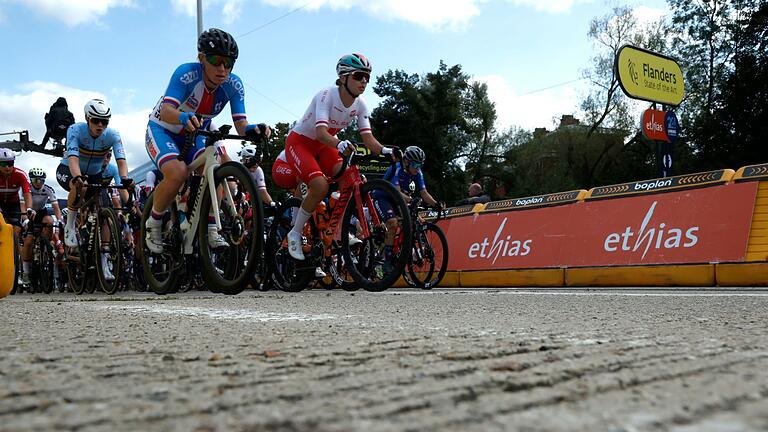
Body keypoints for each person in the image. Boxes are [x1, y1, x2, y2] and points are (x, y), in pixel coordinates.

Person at [144, 27, 270, 254]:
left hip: (194, 134)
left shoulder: (234, 85)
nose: (223, 69)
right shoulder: (186, 73)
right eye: (216, 60)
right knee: (178, 172)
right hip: (163, 129)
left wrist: (255, 129)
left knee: (216, 170)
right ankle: (153, 222)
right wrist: (183, 117)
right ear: (201, 58)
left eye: (229, 63)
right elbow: (166, 110)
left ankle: (211, 226)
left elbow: (241, 126)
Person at [284, 53, 396, 260]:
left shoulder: (361, 104)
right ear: (343, 77)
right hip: (301, 143)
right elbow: (320, 133)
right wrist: (340, 143)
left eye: (367, 77)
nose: (364, 81)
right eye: (359, 76)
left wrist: (387, 151)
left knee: (350, 181)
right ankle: (295, 232)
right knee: (319, 186)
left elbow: (369, 140)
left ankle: (338, 232)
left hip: (325, 145)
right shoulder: (326, 95)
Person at [57, 98, 131, 248]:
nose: (100, 125)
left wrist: (124, 178)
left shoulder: (113, 135)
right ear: (87, 118)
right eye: (96, 120)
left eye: (104, 122)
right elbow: (73, 159)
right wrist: (77, 177)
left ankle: (105, 253)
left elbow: (121, 161)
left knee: (105, 213)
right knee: (81, 186)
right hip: (68, 169)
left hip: (94, 173)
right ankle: (70, 225)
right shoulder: (75, 130)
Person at [379, 145, 443, 271]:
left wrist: (436, 204)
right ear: (407, 162)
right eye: (415, 165)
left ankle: (400, 250)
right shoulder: (397, 169)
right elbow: (396, 192)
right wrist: (411, 200)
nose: (417, 168)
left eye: (420, 165)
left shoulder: (417, 173)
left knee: (412, 223)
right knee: (392, 223)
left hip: (399, 201)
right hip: (384, 197)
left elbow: (424, 193)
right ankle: (387, 259)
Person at [20, 168, 63, 285]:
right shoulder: (26, 189)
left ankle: (46, 246)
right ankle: (26, 271)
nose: (38, 182)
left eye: (41, 180)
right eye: (35, 180)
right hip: (28, 213)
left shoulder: (48, 189)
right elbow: (22, 207)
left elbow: (56, 207)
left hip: (41, 212)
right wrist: (26, 220)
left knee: (49, 221)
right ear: (31, 180)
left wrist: (59, 220)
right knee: (28, 242)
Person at [0, 147, 32, 246]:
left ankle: (14, 255)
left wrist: (29, 208)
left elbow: (27, 193)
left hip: (13, 203)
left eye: (10, 164)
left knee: (16, 230)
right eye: (3, 164)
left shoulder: (20, 174)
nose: (7, 168)